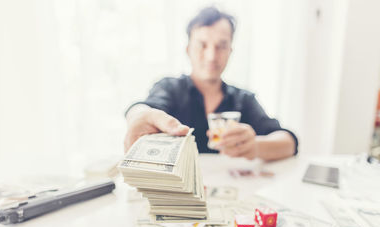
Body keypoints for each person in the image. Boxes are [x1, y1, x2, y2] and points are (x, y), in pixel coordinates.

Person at [124, 7, 298, 161]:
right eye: (202, 45)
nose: (211, 56)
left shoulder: (243, 100)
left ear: (230, 51)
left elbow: (289, 141)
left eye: (221, 46)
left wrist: (255, 147)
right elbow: (144, 109)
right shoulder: (170, 88)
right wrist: (138, 116)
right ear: (188, 49)